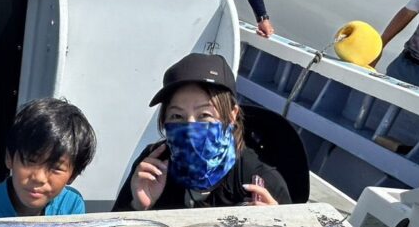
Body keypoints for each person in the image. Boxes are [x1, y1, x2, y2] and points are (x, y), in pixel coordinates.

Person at [113, 53, 289, 211]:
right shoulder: (152, 165)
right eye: (177, 116)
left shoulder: (260, 181)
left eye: (204, 115)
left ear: (232, 115)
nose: (190, 127)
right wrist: (138, 206)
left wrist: (275, 224)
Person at [0, 98, 96, 219]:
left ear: (73, 175)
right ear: (9, 158)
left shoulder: (72, 205)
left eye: (56, 168)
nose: (39, 178)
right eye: (30, 161)